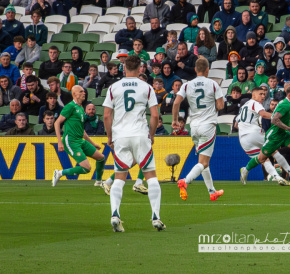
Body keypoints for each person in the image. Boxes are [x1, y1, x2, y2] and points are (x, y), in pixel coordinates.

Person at [101, 55, 164, 232]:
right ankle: (155, 217)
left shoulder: (114, 87)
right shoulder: (147, 87)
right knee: (151, 177)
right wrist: (151, 135)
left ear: (124, 68)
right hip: (140, 135)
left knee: (119, 177)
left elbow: (106, 115)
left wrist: (110, 137)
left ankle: (115, 214)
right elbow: (154, 115)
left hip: (120, 136)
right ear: (140, 68)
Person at [173, 58, 225, 201]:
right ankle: (185, 181)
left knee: (203, 161)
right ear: (207, 69)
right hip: (207, 125)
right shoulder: (213, 84)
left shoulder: (187, 85)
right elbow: (220, 106)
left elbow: (176, 102)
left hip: (194, 126)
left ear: (195, 70)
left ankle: (212, 191)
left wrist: (174, 120)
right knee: (203, 162)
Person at [241, 84, 290, 184]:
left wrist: (287, 130)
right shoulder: (284, 105)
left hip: (283, 133)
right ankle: (246, 170)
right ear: (289, 96)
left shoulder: (288, 104)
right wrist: (289, 128)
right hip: (274, 136)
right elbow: (274, 120)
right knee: (261, 158)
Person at [52, 85, 105, 188]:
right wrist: (59, 141)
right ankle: (59, 173)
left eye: (84, 92)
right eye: (81, 92)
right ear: (74, 94)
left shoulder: (81, 108)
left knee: (101, 158)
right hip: (71, 141)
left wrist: (93, 144)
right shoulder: (70, 106)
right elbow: (57, 123)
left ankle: (98, 182)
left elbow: (82, 131)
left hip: (80, 140)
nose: (84, 93)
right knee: (86, 168)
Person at [237, 87, 290, 185]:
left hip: (242, 138)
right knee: (273, 151)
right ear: (253, 95)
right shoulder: (255, 103)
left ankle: (275, 177)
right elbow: (264, 114)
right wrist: (277, 117)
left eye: (264, 94)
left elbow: (236, 124)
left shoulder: (243, 107)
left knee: (263, 159)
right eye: (260, 94)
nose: (263, 96)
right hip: (254, 133)